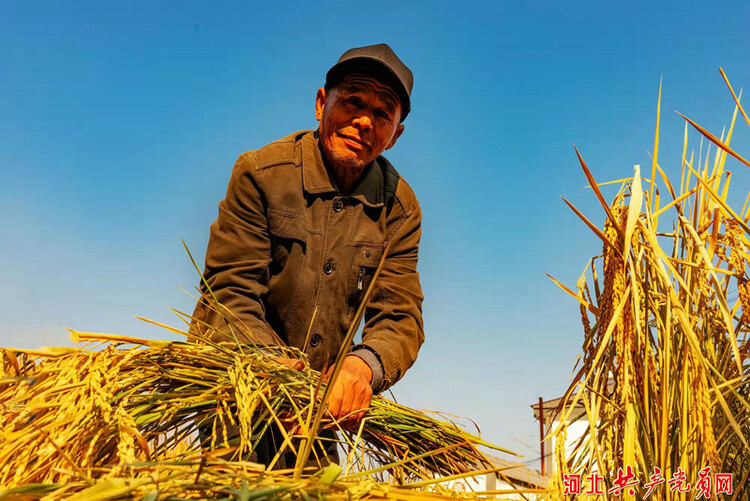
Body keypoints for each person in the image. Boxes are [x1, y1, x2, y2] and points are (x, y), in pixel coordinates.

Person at [190, 43, 424, 457]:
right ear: (321, 104)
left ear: (395, 136)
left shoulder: (400, 210)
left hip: (317, 418)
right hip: (238, 396)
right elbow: (230, 295)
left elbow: (400, 318)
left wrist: (361, 367)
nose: (364, 121)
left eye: (383, 113)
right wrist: (283, 375)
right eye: (353, 101)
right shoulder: (261, 175)